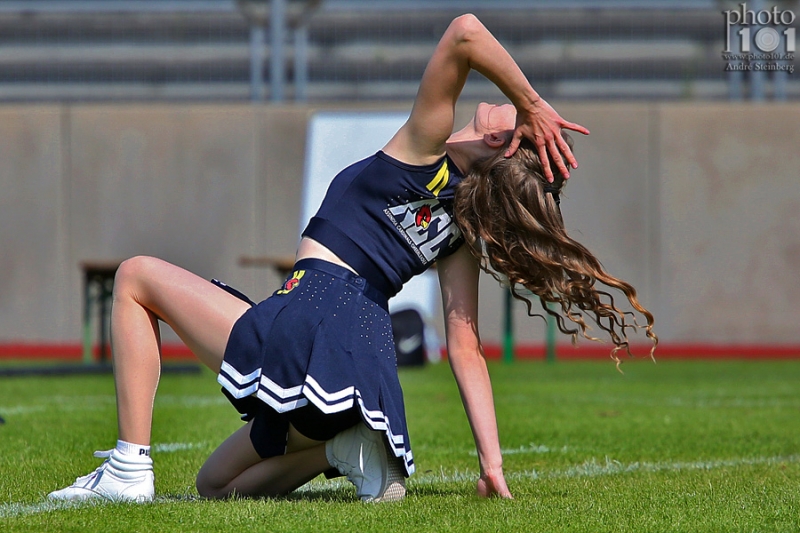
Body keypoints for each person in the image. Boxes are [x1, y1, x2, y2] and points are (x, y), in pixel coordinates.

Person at [48, 13, 655, 504]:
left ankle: (129, 470)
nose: (504, 107)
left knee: (134, 277)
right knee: (214, 486)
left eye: (513, 118)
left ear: (503, 140)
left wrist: (532, 102)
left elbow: (466, 31)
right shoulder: (463, 229)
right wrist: (490, 464)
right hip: (359, 354)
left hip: (311, 310)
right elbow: (465, 348)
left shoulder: (424, 149)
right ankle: (341, 449)